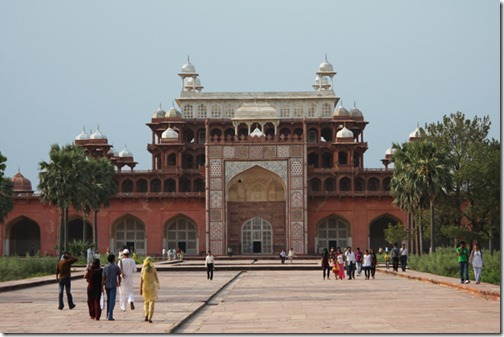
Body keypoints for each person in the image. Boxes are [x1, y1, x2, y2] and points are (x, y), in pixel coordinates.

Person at [140, 257, 160, 323]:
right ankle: (150, 317)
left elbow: (141, 280)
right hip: (152, 286)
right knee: (152, 301)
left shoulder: (143, 269)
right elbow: (156, 277)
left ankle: (146, 315)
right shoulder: (153, 269)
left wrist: (140, 288)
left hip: (145, 286)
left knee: (146, 302)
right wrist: (158, 284)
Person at [102, 253, 121, 321]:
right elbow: (119, 275)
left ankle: (108, 313)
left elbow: (103, 277)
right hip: (113, 285)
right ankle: (110, 315)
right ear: (113, 259)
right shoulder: (116, 267)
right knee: (112, 300)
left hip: (107, 285)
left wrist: (102, 285)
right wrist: (119, 282)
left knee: (109, 299)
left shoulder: (105, 267)